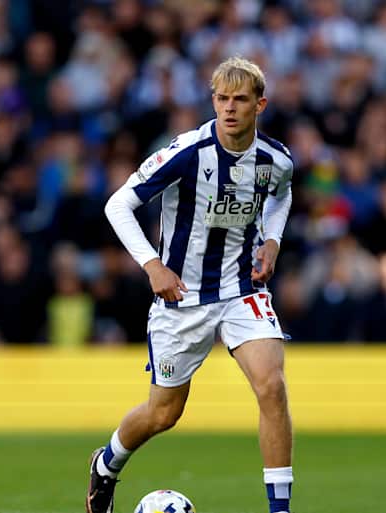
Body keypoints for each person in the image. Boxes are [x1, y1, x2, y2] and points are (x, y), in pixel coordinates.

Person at [91, 57, 295, 513]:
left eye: (240, 99)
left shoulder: (275, 158)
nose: (229, 108)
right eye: (221, 99)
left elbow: (281, 193)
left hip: (243, 288)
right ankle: (106, 463)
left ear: (259, 105)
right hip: (182, 298)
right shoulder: (187, 152)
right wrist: (153, 266)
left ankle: (280, 510)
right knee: (164, 414)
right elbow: (118, 205)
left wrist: (274, 241)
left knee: (272, 386)